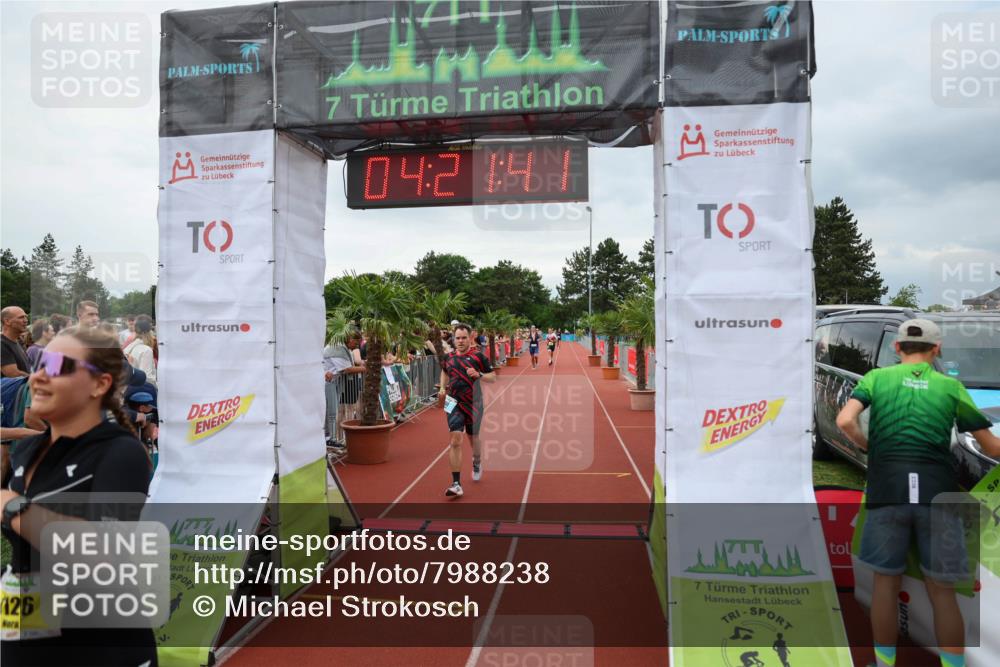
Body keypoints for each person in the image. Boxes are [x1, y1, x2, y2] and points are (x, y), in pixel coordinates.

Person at [836, 319, 1000, 667]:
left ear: (897, 348)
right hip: (938, 495)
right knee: (942, 592)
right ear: (936, 349)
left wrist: (870, 448)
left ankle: (883, 664)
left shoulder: (877, 379)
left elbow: (844, 422)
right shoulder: (951, 387)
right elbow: (991, 447)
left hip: (887, 490)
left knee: (886, 584)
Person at [1, 325, 157, 666]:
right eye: (39, 363)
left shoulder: (120, 452)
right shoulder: (27, 449)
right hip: (27, 638)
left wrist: (13, 507)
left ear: (99, 385)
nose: (38, 377)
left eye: (57, 366)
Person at [438, 324, 496, 497]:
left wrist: (479, 375)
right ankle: (456, 484)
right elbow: (444, 372)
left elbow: (492, 377)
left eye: (464, 337)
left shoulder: (478, 356)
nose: (460, 341)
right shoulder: (448, 357)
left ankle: (476, 461)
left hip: (474, 404)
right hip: (452, 402)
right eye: (458, 338)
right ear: (454, 339)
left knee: (473, 438)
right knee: (455, 439)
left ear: (470, 338)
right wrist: (442, 387)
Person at [323, 330, 364, 446]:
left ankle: (331, 438)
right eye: (355, 343)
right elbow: (347, 369)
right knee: (332, 412)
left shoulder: (341, 347)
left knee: (332, 411)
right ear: (350, 339)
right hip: (329, 382)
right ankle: (331, 439)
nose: (355, 347)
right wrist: (367, 368)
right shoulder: (337, 347)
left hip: (334, 381)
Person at [123, 315, 156, 384]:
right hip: (141, 389)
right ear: (147, 332)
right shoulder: (146, 350)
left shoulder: (128, 348)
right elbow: (147, 378)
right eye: (151, 330)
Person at [1, 306, 31, 377]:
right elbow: (13, 374)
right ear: (7, 321)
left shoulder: (18, 342)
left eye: (25, 317)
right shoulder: (2, 344)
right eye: (21, 317)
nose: (26, 320)